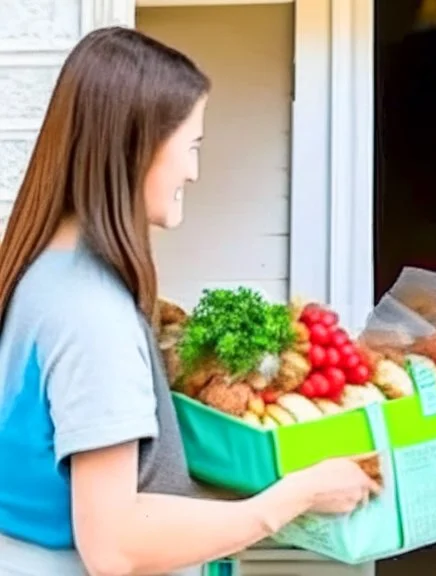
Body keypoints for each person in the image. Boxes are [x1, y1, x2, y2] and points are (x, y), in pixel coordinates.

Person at [0, 27, 379, 576]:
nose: (193, 172)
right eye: (191, 147)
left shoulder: (40, 273)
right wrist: (291, 498)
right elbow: (115, 545)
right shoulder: (92, 314)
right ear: (139, 148)